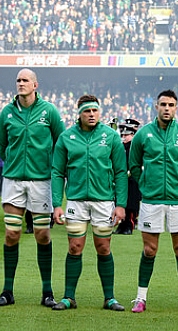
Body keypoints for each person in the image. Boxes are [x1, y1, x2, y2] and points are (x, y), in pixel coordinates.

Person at [0, 68, 65, 308]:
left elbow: (61, 142)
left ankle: (47, 292)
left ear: (35, 85)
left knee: (42, 234)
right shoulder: (7, 113)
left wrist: (50, 169)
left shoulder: (49, 111)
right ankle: (7, 291)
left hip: (41, 181)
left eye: (25, 80)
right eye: (18, 80)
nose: (20, 83)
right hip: (13, 180)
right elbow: (2, 145)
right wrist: (14, 163)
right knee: (12, 234)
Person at [51, 95, 128, 312]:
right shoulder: (66, 137)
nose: (92, 115)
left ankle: (109, 298)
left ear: (100, 112)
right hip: (76, 200)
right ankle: (69, 297)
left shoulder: (111, 136)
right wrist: (57, 203)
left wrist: (120, 204)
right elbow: (57, 172)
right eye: (87, 111)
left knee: (103, 247)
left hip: (104, 201)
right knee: (75, 247)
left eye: (95, 110)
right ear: (79, 113)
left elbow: (121, 172)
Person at [128, 91, 178, 314]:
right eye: (163, 104)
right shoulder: (143, 135)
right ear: (156, 106)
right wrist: (146, 186)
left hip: (177, 201)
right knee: (149, 250)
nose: (167, 108)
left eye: (171, 105)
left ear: (176, 108)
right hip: (151, 201)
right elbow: (135, 165)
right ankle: (140, 298)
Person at [114, 118, 141, 235]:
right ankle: (122, 225)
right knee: (121, 203)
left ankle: (129, 225)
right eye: (123, 135)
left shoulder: (135, 147)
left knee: (131, 204)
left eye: (127, 135)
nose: (124, 137)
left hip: (132, 180)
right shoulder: (121, 147)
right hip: (123, 180)